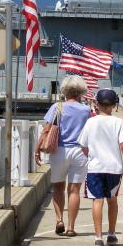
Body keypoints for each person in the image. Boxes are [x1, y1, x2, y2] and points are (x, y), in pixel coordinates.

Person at [35, 75, 91, 237]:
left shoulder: (57, 107)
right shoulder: (87, 111)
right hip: (80, 152)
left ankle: (59, 219)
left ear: (65, 91)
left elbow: (46, 129)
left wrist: (37, 148)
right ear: (80, 92)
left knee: (58, 187)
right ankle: (71, 227)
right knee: (74, 190)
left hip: (59, 150)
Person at [78, 89, 123, 246]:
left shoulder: (91, 122)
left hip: (95, 167)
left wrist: (91, 156)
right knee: (112, 200)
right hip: (114, 167)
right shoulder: (119, 123)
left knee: (97, 200)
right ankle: (112, 233)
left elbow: (83, 145)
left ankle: (98, 237)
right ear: (114, 105)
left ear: (97, 103)